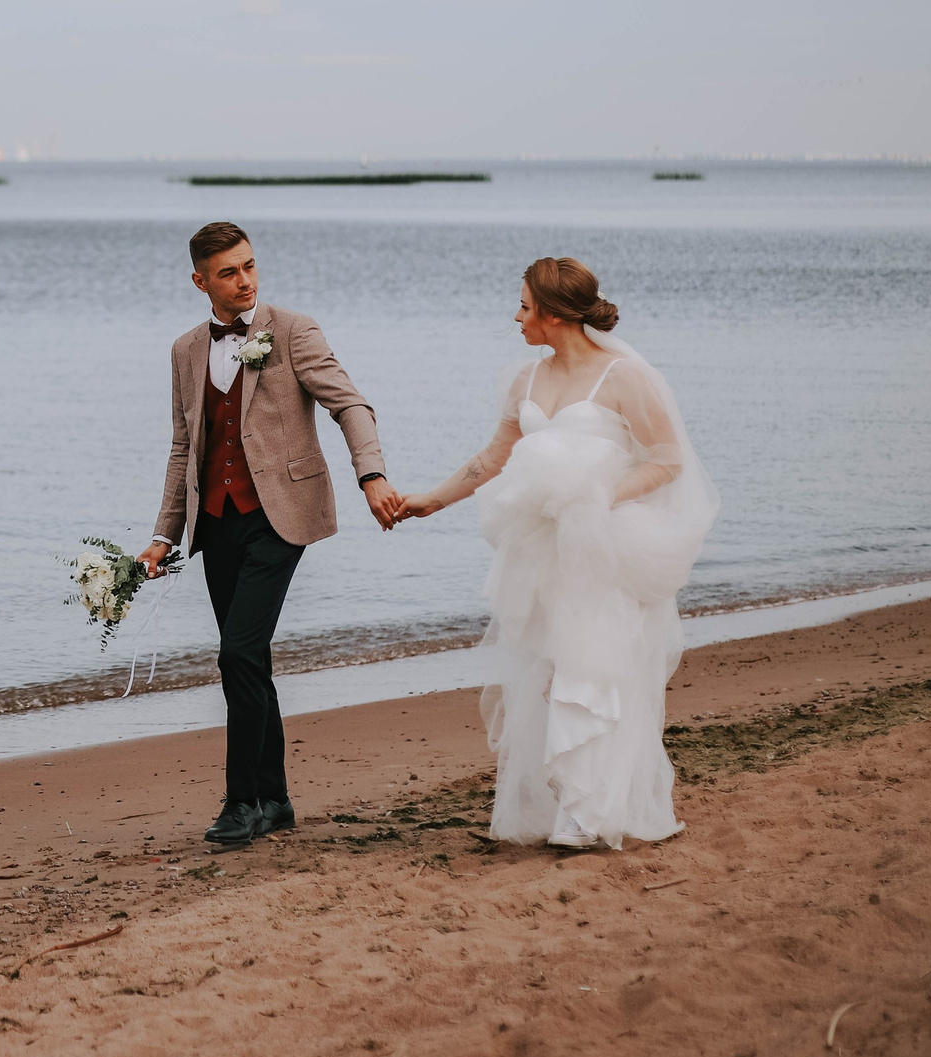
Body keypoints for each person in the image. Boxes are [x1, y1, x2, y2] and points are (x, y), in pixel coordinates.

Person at [396, 257, 719, 849]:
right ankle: (570, 795)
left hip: (602, 543)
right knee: (546, 672)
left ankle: (585, 810)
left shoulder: (624, 377)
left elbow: (667, 462)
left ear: (551, 313)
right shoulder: (526, 379)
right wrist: (430, 501)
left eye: (523, 305)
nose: (516, 316)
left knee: (588, 665)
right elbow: (492, 460)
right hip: (539, 548)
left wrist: (600, 498)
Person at [139, 222, 403, 847]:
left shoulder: (292, 331)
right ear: (200, 280)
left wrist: (372, 476)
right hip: (216, 524)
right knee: (247, 659)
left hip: (280, 517)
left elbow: (350, 405)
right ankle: (278, 799)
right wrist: (163, 536)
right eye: (228, 272)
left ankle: (241, 803)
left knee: (236, 652)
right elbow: (185, 448)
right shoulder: (185, 352)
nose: (245, 281)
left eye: (250, 266)